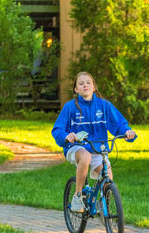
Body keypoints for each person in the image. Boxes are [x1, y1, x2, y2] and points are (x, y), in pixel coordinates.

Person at [52, 72, 136, 213]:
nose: (85, 85)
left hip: (98, 149)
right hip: (76, 148)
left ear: (94, 87)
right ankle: (78, 196)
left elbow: (119, 124)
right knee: (85, 157)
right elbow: (57, 130)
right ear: (76, 89)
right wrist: (67, 136)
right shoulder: (70, 107)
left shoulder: (104, 106)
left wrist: (127, 132)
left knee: (108, 178)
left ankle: (104, 210)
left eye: (88, 82)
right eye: (81, 83)